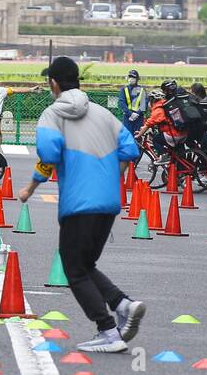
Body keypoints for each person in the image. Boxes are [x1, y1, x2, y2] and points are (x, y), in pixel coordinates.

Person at [18, 56, 144, 353]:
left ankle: (107, 330)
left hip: (79, 202)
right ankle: (122, 304)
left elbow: (48, 154)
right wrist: (113, 177)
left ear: (53, 83)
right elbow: (130, 149)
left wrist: (30, 187)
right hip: (109, 202)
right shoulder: (103, 114)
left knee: (73, 267)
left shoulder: (52, 115)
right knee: (86, 264)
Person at [137, 80, 186, 165]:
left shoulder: (159, 108)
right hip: (182, 132)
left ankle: (164, 156)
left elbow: (149, 123)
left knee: (156, 139)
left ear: (152, 100)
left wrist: (139, 135)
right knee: (177, 154)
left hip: (173, 134)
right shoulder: (166, 104)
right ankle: (181, 171)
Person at [117, 70, 148, 136]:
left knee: (138, 136)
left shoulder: (142, 89)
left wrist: (137, 114)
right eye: (130, 77)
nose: (131, 79)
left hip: (138, 117)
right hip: (127, 116)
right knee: (127, 136)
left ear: (137, 79)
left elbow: (144, 103)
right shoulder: (124, 89)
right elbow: (122, 102)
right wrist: (130, 114)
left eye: (133, 77)